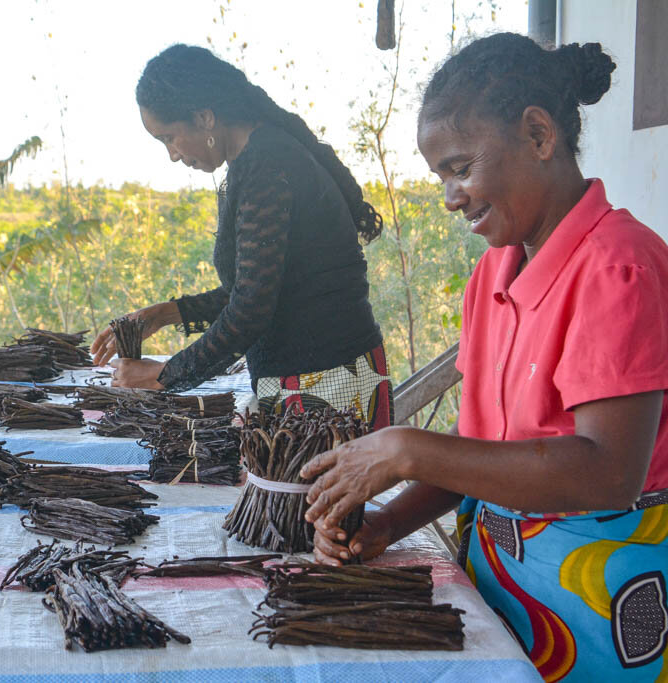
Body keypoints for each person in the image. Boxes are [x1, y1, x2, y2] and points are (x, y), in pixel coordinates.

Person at [301, 33, 668, 681]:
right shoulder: (492, 278)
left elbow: (608, 473)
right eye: (442, 176)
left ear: (538, 134)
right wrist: (389, 521)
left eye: (461, 167)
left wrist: (407, 448)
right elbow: (481, 447)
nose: (450, 196)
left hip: (602, 593)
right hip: (502, 581)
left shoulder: (619, 267)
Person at [91, 44, 392, 425]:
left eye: (169, 137)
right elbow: (257, 288)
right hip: (319, 377)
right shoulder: (257, 160)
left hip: (328, 384)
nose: (172, 154)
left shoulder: (266, 167)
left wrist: (163, 375)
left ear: (205, 118)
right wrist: (165, 315)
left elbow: (250, 310)